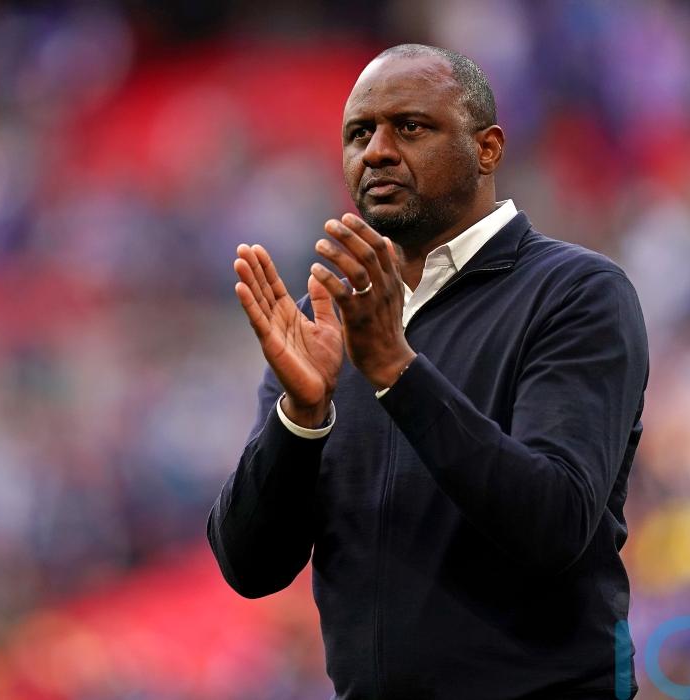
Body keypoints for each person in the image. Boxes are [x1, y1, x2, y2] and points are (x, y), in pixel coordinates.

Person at [207, 43, 649, 700]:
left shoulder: (575, 293)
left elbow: (555, 524)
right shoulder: (326, 321)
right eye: (360, 133)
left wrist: (396, 369)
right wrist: (299, 419)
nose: (377, 152)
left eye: (410, 127)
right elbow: (251, 568)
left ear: (487, 149)